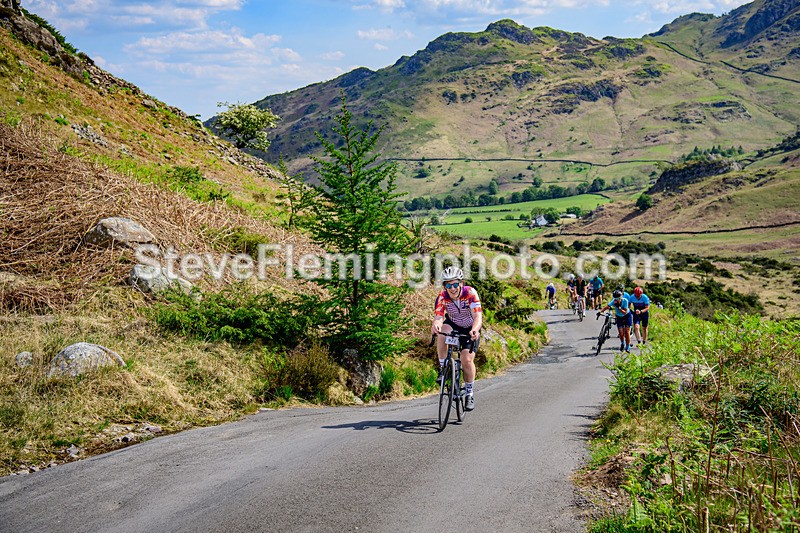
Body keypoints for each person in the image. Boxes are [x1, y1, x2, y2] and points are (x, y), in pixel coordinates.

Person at [431, 266, 482, 411]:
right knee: (442, 333)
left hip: (470, 327)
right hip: (453, 324)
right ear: (444, 286)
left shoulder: (470, 293)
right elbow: (439, 317)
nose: (452, 288)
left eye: (455, 284)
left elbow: (477, 316)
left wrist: (475, 330)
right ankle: (443, 369)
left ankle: (469, 393)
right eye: (448, 285)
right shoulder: (442, 297)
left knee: (467, 360)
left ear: (461, 283)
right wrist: (436, 325)